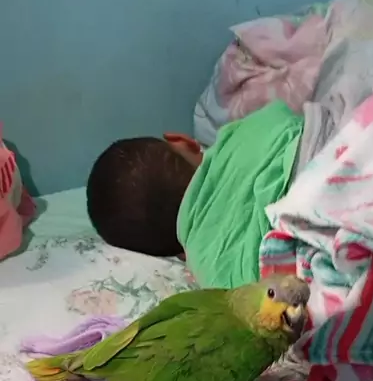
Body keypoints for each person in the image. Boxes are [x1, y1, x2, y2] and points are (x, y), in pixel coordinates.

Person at [86, 101, 304, 289]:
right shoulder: (248, 129)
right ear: (183, 141)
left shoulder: (209, 267)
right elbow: (291, 121)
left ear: (178, 253)